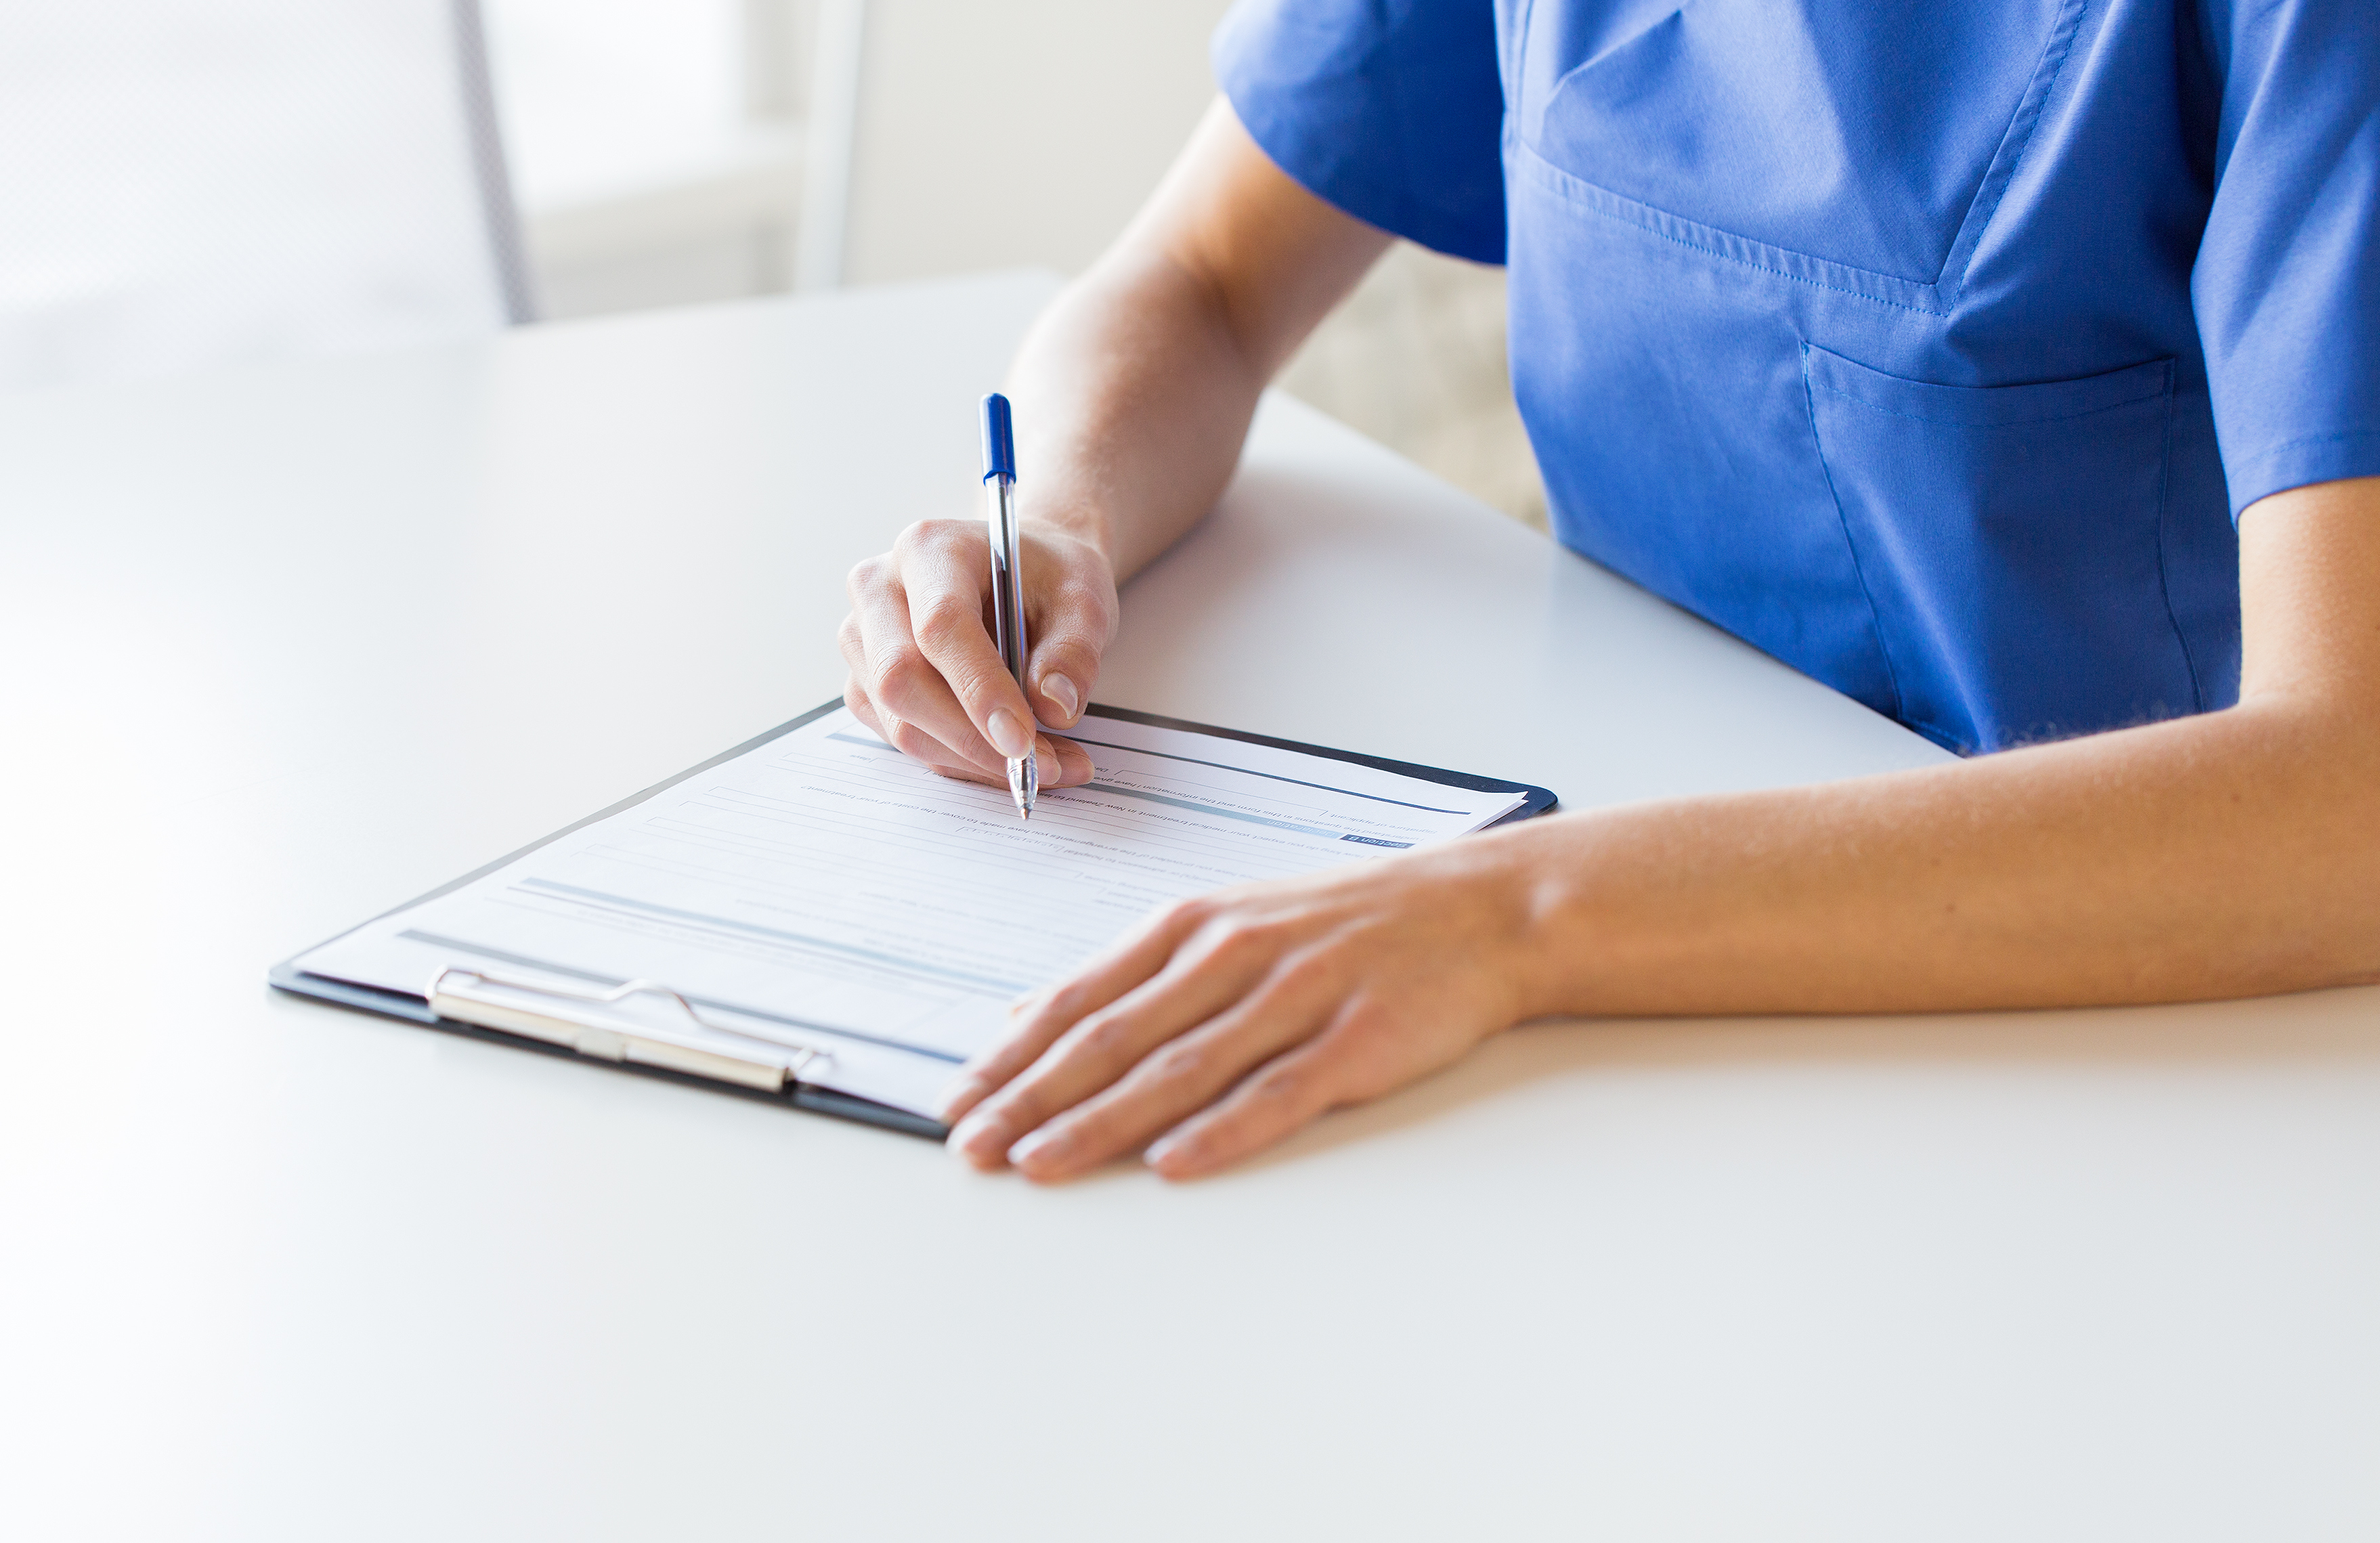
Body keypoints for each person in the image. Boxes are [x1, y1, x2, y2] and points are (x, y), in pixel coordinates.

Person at [837, 0, 2380, 1182]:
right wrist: (1054, 510)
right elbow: (1205, 280)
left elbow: (2348, 797)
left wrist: (1516, 921)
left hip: (2157, 1045)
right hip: (1628, 996)